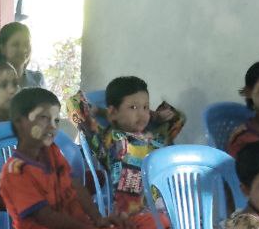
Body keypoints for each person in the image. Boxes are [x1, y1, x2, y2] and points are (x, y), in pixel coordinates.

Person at [0, 87, 154, 229]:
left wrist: (98, 219)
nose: (52, 126)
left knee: (157, 222)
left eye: (56, 120)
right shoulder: (15, 171)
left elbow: (76, 186)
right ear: (20, 123)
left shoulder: (52, 152)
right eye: (44, 118)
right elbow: (46, 217)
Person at [68, 75, 184, 216]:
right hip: (133, 214)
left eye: (145, 107)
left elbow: (178, 118)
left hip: (167, 208)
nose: (142, 113)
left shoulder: (154, 136)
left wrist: (155, 116)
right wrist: (101, 112)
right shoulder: (108, 139)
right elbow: (74, 103)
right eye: (133, 107)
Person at [0, 23, 45, 88]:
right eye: (16, 44)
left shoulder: (37, 79)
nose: (23, 50)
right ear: (2, 49)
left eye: (26, 44)